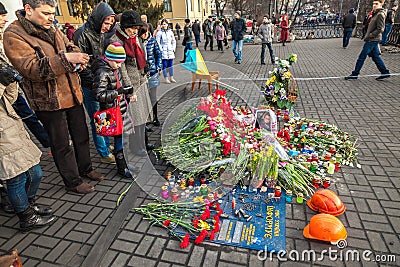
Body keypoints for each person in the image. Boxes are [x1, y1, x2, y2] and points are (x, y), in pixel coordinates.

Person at [4, 0, 104, 194]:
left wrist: (77, 56)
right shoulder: (14, 34)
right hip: (48, 100)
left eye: (53, 12)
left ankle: (86, 168)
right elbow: (31, 69)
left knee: (81, 135)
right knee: (61, 143)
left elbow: (70, 44)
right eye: (46, 13)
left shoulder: (52, 27)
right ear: (28, 10)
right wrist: (66, 59)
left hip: (72, 93)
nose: (51, 17)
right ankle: (72, 181)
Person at [0, 2, 55, 231]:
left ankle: (26, 205)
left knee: (35, 171)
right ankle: (25, 216)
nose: (3, 19)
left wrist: (9, 80)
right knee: (16, 175)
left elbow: (10, 96)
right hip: (2, 126)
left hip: (9, 117)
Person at [73, 2, 117, 164]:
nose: (108, 26)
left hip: (99, 82)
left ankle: (105, 144)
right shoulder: (81, 34)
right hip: (89, 85)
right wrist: (97, 84)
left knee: (103, 116)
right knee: (96, 117)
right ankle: (103, 152)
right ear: (99, 19)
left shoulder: (100, 33)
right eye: (106, 23)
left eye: (110, 23)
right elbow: (81, 66)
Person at [111, 10, 155, 157]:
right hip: (130, 85)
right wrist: (129, 90)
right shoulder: (117, 40)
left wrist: (145, 76)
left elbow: (140, 58)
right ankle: (136, 147)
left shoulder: (135, 38)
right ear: (124, 27)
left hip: (140, 80)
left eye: (137, 29)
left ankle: (144, 141)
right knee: (135, 118)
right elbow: (121, 68)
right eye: (132, 29)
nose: (135, 32)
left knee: (142, 116)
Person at [92, 42, 133, 178]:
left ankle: (125, 163)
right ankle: (121, 168)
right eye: (117, 62)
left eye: (121, 63)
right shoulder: (103, 72)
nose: (120, 66)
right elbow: (99, 95)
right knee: (119, 140)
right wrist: (118, 92)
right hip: (112, 112)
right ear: (109, 58)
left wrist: (127, 94)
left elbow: (118, 86)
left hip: (120, 109)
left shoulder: (113, 69)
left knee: (123, 138)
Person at [345, 0, 390, 81]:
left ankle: (355, 74)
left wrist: (370, 35)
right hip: (372, 39)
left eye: (376, 4)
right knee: (375, 56)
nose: (374, 5)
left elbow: (381, 29)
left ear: (381, 4)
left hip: (372, 39)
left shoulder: (380, 14)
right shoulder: (375, 13)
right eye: (373, 4)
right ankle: (385, 72)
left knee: (362, 57)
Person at [139, 24, 162, 126]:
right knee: (144, 98)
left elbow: (158, 54)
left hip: (152, 72)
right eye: (142, 33)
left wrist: (158, 66)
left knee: (153, 97)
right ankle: (147, 119)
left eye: (146, 33)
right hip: (142, 74)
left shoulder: (152, 41)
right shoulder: (137, 42)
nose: (144, 35)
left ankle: (155, 117)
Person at [156, 19, 177, 83]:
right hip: (164, 51)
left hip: (170, 50)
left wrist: (173, 49)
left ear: (167, 24)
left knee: (171, 65)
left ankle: (171, 77)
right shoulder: (159, 33)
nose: (163, 25)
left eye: (165, 24)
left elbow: (173, 41)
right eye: (162, 24)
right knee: (164, 65)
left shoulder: (170, 32)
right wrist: (161, 50)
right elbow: (158, 42)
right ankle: (166, 78)